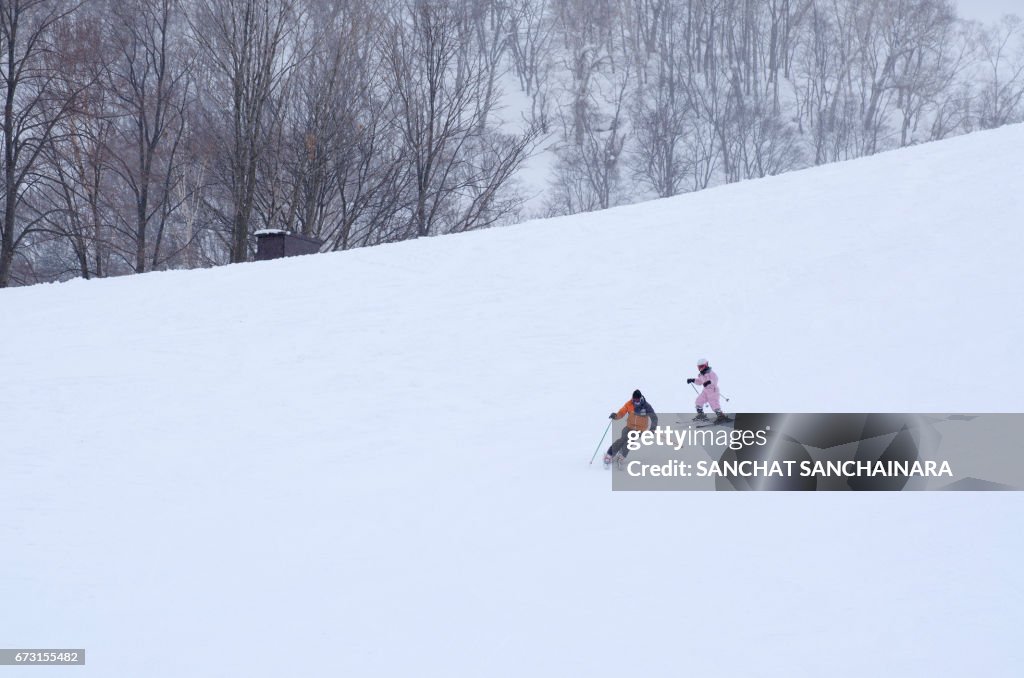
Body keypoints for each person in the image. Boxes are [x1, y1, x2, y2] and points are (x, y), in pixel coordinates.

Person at [604, 389, 658, 467]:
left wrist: (653, 428)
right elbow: (622, 412)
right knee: (622, 439)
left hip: (640, 429)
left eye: (637, 399)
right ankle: (610, 454)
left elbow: (654, 418)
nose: (635, 401)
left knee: (629, 441)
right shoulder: (629, 404)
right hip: (629, 426)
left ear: (640, 398)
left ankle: (621, 456)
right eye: (634, 399)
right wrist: (615, 416)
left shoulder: (646, 406)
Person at [687, 359, 729, 423]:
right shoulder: (701, 375)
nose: (700, 368)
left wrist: (709, 382)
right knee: (698, 401)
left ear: (706, 365)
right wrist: (692, 380)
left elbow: (715, 380)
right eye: (699, 367)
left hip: (713, 390)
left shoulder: (711, 373)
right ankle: (701, 415)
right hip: (705, 391)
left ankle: (721, 416)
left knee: (714, 403)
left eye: (702, 366)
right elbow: (699, 382)